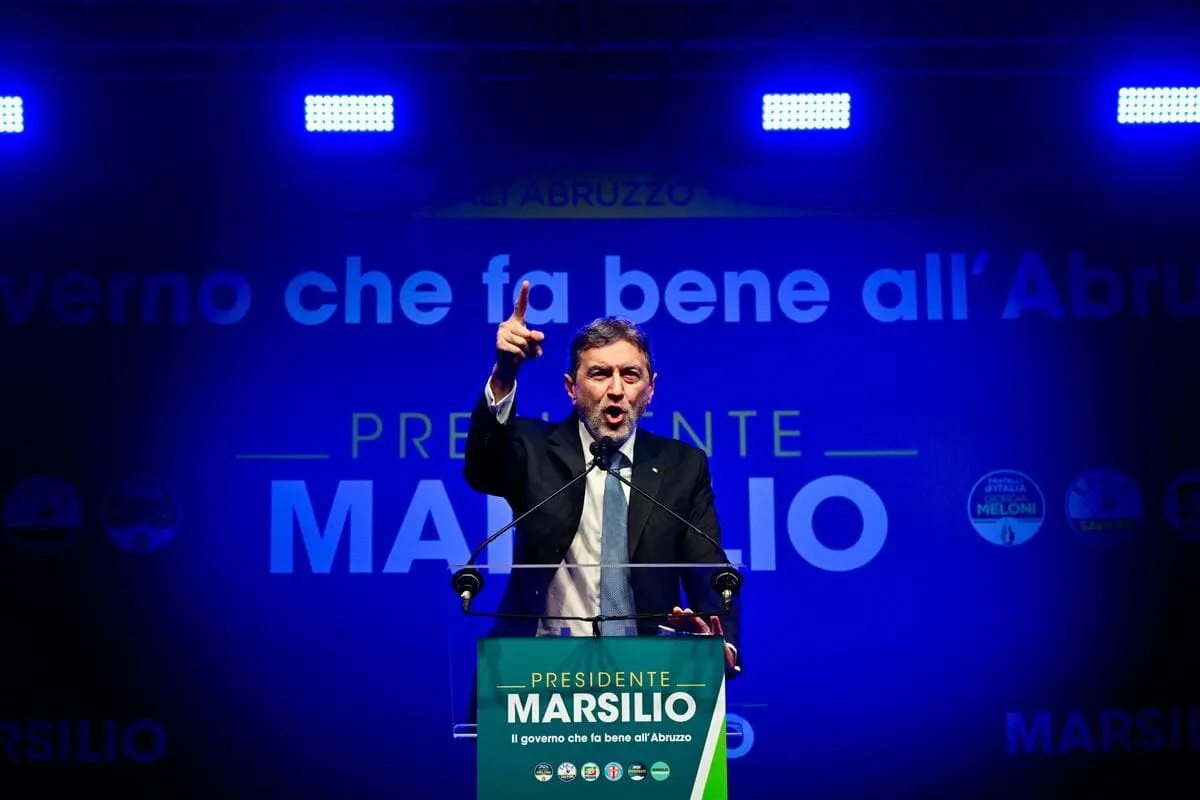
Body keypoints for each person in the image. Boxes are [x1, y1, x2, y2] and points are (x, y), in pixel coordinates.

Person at [463, 281, 742, 677]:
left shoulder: (683, 465)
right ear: (571, 388)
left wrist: (722, 645)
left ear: (650, 389)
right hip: (536, 675)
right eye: (599, 374)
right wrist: (504, 374)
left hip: (648, 678)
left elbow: (709, 569)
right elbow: (482, 468)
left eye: (630, 375)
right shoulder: (534, 448)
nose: (615, 390)